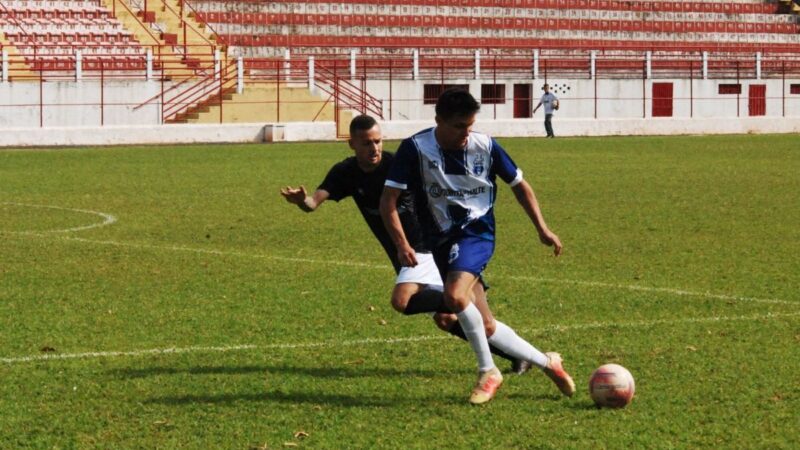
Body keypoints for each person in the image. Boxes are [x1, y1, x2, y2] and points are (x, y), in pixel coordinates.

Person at [280, 114, 530, 374]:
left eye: (377, 141)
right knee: (446, 319)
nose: (374, 148)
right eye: (366, 143)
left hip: (427, 246)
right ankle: (515, 354)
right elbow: (313, 203)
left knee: (403, 300)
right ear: (351, 144)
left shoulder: (397, 165)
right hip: (406, 255)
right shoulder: (345, 173)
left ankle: (463, 299)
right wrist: (302, 201)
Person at [380, 88, 575, 405]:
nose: (465, 133)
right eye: (458, 126)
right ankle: (547, 361)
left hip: (477, 234)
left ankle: (488, 371)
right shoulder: (415, 148)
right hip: (441, 241)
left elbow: (519, 186)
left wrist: (542, 228)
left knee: (455, 297)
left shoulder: (485, 146)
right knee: (484, 325)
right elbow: (388, 200)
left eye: (469, 125)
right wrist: (401, 244)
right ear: (438, 120)